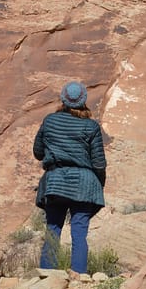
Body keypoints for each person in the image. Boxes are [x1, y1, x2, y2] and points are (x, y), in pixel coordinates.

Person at [34, 81, 107, 274]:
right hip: (83, 184)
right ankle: (79, 277)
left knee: (52, 229)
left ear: (63, 100)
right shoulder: (91, 126)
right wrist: (100, 184)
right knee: (79, 232)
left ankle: (47, 276)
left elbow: (38, 152)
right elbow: (99, 162)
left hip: (56, 182)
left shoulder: (49, 121)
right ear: (83, 100)